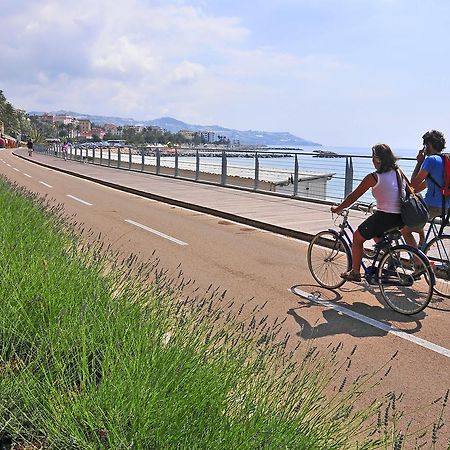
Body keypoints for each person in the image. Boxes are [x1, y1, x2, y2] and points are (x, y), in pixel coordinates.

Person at [331, 144, 403, 282]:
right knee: (377, 233)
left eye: (372, 157)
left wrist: (338, 208)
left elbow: (353, 197)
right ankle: (390, 257)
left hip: (385, 216)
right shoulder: (398, 172)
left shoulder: (374, 177)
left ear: (377, 160)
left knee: (357, 238)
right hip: (400, 217)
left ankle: (355, 272)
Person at [402, 130, 449, 246]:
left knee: (404, 229)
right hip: (446, 206)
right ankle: (422, 241)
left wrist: (419, 162)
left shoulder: (430, 160)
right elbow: (418, 189)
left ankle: (417, 260)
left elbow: (413, 184)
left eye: (425, 145)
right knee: (417, 209)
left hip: (432, 206)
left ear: (428, 145)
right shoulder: (445, 160)